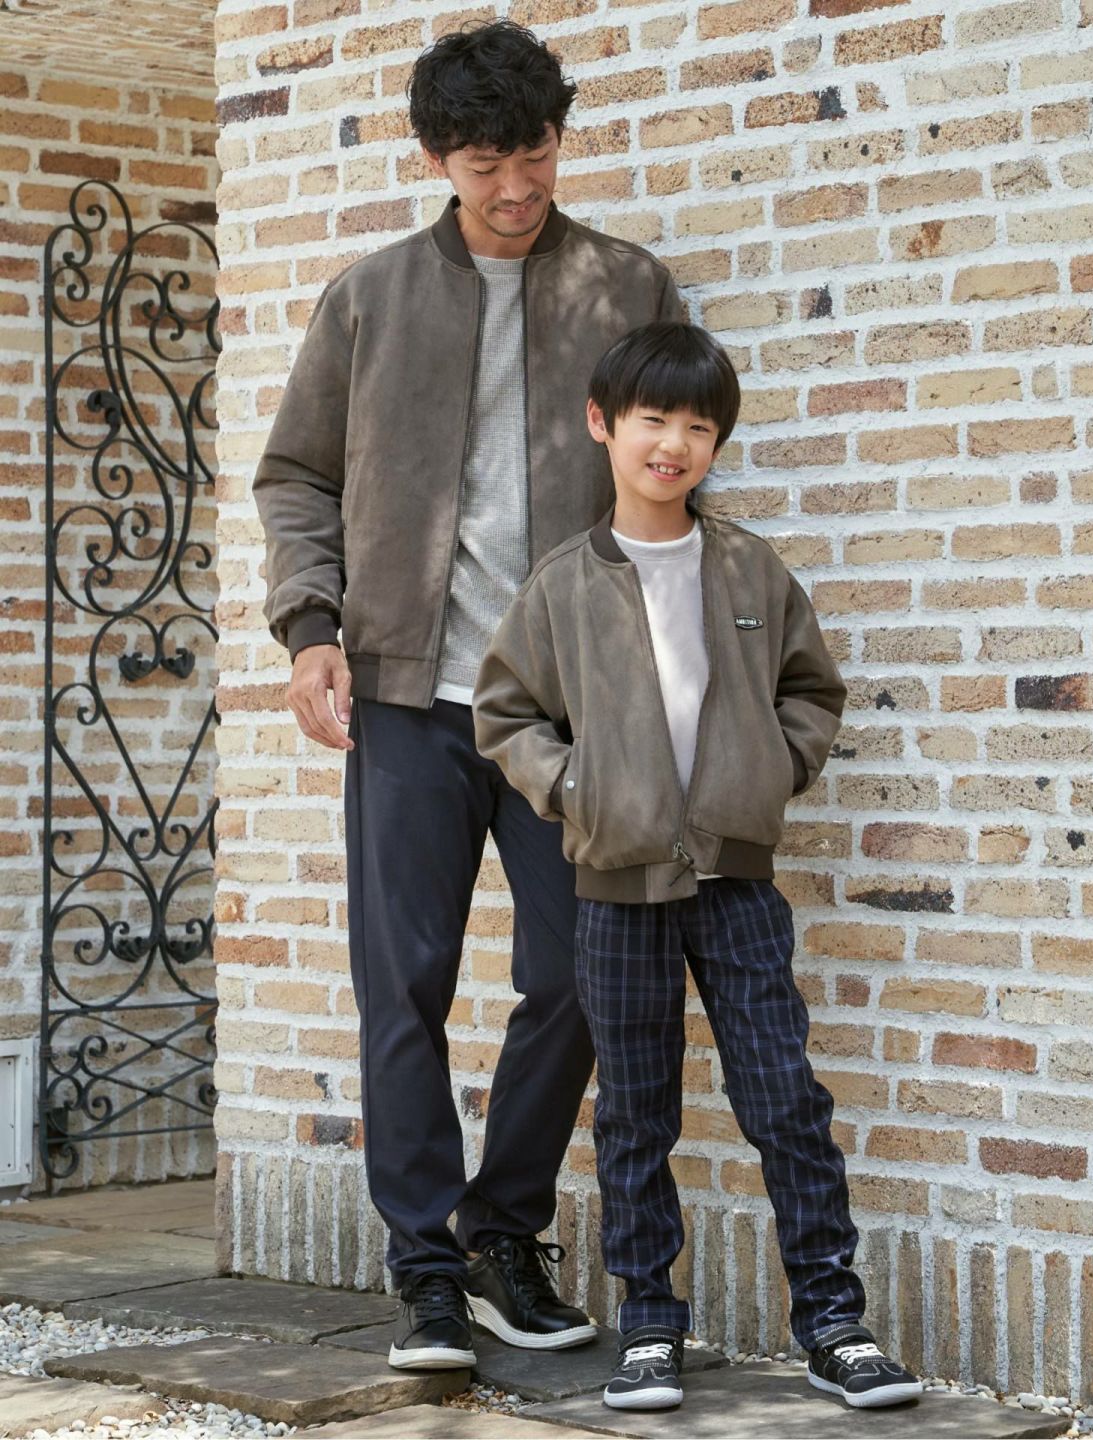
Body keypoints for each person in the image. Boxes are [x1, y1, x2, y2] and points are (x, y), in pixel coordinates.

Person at [252, 21, 684, 1370]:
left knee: (580, 976)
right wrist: (310, 630)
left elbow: (674, 469)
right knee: (405, 985)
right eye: (486, 163)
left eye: (535, 153)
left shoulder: (627, 287)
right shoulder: (371, 298)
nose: (515, 187)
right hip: (405, 697)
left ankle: (503, 1235)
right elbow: (296, 475)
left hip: (565, 707)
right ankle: (426, 1269)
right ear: (437, 158)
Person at [473, 323, 923, 1412]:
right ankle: (649, 1326)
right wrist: (577, 789)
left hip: (738, 886)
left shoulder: (748, 566)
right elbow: (506, 712)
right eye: (653, 420)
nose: (673, 443)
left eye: (698, 427)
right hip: (616, 892)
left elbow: (811, 691)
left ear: (716, 443)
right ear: (603, 425)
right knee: (636, 1114)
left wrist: (769, 770)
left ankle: (834, 1322)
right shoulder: (564, 584)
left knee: (785, 1100)